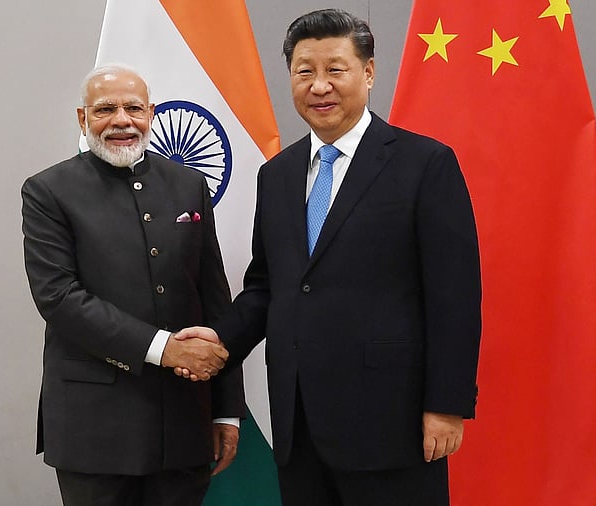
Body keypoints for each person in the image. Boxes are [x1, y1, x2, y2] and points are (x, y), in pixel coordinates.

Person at [176, 9, 482, 505]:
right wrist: (219, 339)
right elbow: (268, 288)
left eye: (335, 69)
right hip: (299, 425)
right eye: (305, 71)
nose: (319, 86)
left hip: (392, 424)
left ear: (368, 72)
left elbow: (455, 298)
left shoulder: (425, 164)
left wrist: (446, 405)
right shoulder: (276, 175)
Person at [21, 64, 245, 506]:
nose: (122, 120)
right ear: (83, 120)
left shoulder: (188, 184)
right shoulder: (49, 191)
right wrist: (165, 348)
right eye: (105, 109)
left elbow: (214, 298)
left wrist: (226, 409)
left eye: (133, 108)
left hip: (183, 422)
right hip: (94, 428)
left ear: (152, 114)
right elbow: (59, 297)